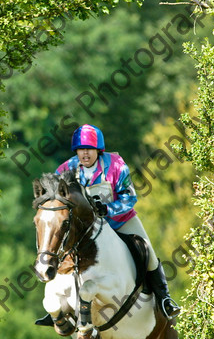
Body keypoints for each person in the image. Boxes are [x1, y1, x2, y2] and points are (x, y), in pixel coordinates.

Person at [36, 123, 180, 322]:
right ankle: (55, 306)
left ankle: (164, 298)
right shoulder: (66, 169)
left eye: (89, 149)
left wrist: (108, 210)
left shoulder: (116, 166)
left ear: (98, 150)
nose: (84, 154)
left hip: (119, 220)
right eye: (81, 149)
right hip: (86, 229)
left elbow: (130, 198)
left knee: (148, 251)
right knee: (59, 250)